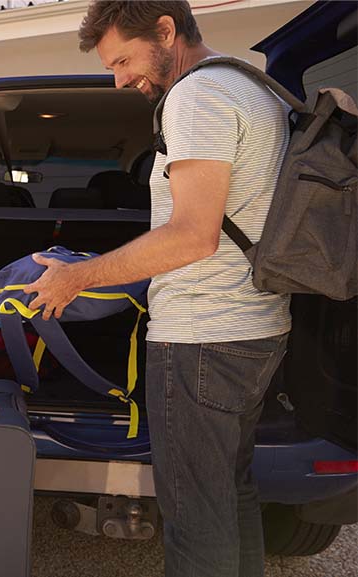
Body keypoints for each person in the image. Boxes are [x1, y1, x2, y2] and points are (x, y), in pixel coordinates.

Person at [24, 3, 291, 576]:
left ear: (166, 30)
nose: (119, 79)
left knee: (197, 522)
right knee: (230, 496)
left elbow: (192, 236)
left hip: (201, 340)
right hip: (257, 328)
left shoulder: (196, 96)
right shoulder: (252, 87)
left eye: (123, 58)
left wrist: (77, 277)